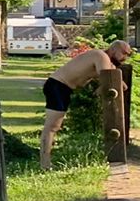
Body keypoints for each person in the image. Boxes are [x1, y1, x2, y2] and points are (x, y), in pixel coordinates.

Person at [42, 39, 133, 170]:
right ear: (113, 49)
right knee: (52, 127)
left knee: (55, 126)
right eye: (124, 53)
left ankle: (47, 161)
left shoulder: (108, 63)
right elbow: (107, 80)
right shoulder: (100, 56)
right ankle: (45, 164)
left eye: (128, 55)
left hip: (65, 88)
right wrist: (103, 87)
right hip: (57, 85)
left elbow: (120, 85)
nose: (125, 58)